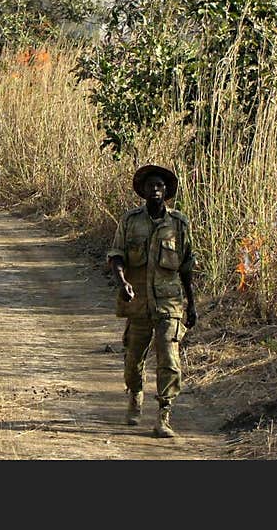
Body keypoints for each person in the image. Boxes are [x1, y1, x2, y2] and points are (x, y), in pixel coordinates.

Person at [106, 165, 197, 438]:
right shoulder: (130, 221)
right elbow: (117, 254)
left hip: (169, 303)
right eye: (151, 186)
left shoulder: (179, 224)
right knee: (133, 359)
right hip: (138, 302)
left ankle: (164, 415)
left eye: (160, 186)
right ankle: (135, 396)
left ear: (167, 191)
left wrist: (192, 304)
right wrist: (122, 282)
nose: (156, 190)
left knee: (169, 359)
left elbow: (187, 266)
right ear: (143, 191)